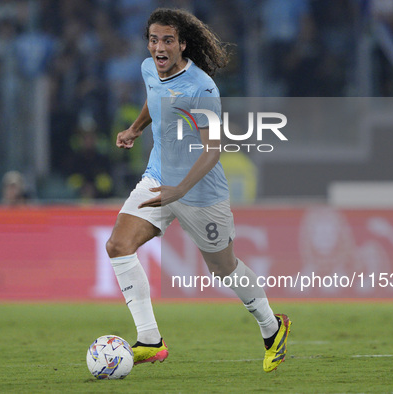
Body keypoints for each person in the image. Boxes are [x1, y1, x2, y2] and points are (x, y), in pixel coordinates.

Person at [105, 8, 291, 373]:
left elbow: (213, 148)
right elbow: (154, 99)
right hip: (158, 176)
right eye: (154, 39)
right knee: (118, 245)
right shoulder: (148, 68)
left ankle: (273, 328)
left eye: (167, 40)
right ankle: (149, 340)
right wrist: (135, 129)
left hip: (200, 190)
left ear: (182, 45)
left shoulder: (201, 88)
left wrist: (180, 190)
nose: (159, 47)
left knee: (224, 269)